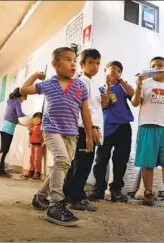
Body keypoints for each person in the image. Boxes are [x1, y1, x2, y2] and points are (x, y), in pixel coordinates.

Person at [20, 47, 94, 227]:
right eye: (68, 59)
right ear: (55, 64)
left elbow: (85, 112)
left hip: (72, 134)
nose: (73, 64)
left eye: (74, 60)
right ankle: (55, 204)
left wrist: (89, 136)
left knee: (62, 166)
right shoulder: (48, 84)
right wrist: (36, 76)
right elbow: (23, 89)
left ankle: (40, 197)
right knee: (61, 159)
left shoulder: (80, 86)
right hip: (51, 129)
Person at [131, 56, 164, 207]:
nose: (156, 68)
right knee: (148, 162)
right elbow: (135, 103)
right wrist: (139, 85)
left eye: (160, 65)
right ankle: (148, 193)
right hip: (147, 126)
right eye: (153, 66)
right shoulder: (145, 84)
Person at [87, 61, 135, 203]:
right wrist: (108, 86)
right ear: (105, 70)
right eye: (112, 69)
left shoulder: (123, 87)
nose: (114, 72)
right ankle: (98, 190)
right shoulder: (100, 89)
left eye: (118, 70)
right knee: (101, 160)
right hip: (106, 128)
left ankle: (116, 191)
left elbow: (133, 96)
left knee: (121, 160)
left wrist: (120, 81)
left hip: (123, 127)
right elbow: (105, 104)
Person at [62, 48, 103, 212]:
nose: (95, 66)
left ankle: (69, 194)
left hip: (90, 128)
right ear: (82, 64)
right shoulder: (81, 82)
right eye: (91, 63)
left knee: (81, 162)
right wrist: (90, 128)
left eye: (98, 63)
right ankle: (75, 197)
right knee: (82, 164)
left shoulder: (92, 83)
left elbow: (93, 107)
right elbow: (81, 108)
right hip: (83, 128)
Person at [0, 87, 27, 178]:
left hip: (4, 125)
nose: (23, 100)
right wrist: (29, 117)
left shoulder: (10, 100)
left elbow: (14, 115)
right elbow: (20, 114)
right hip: (9, 127)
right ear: (21, 95)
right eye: (24, 98)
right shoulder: (17, 101)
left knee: (3, 149)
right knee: (5, 149)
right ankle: (0, 171)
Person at [22, 112, 44, 180]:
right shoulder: (34, 126)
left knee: (37, 160)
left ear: (41, 120)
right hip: (33, 145)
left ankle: (37, 173)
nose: (35, 120)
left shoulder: (41, 127)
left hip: (38, 145)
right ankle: (31, 172)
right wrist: (29, 131)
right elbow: (31, 135)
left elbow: (43, 135)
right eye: (34, 119)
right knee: (32, 159)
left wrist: (44, 142)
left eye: (37, 119)